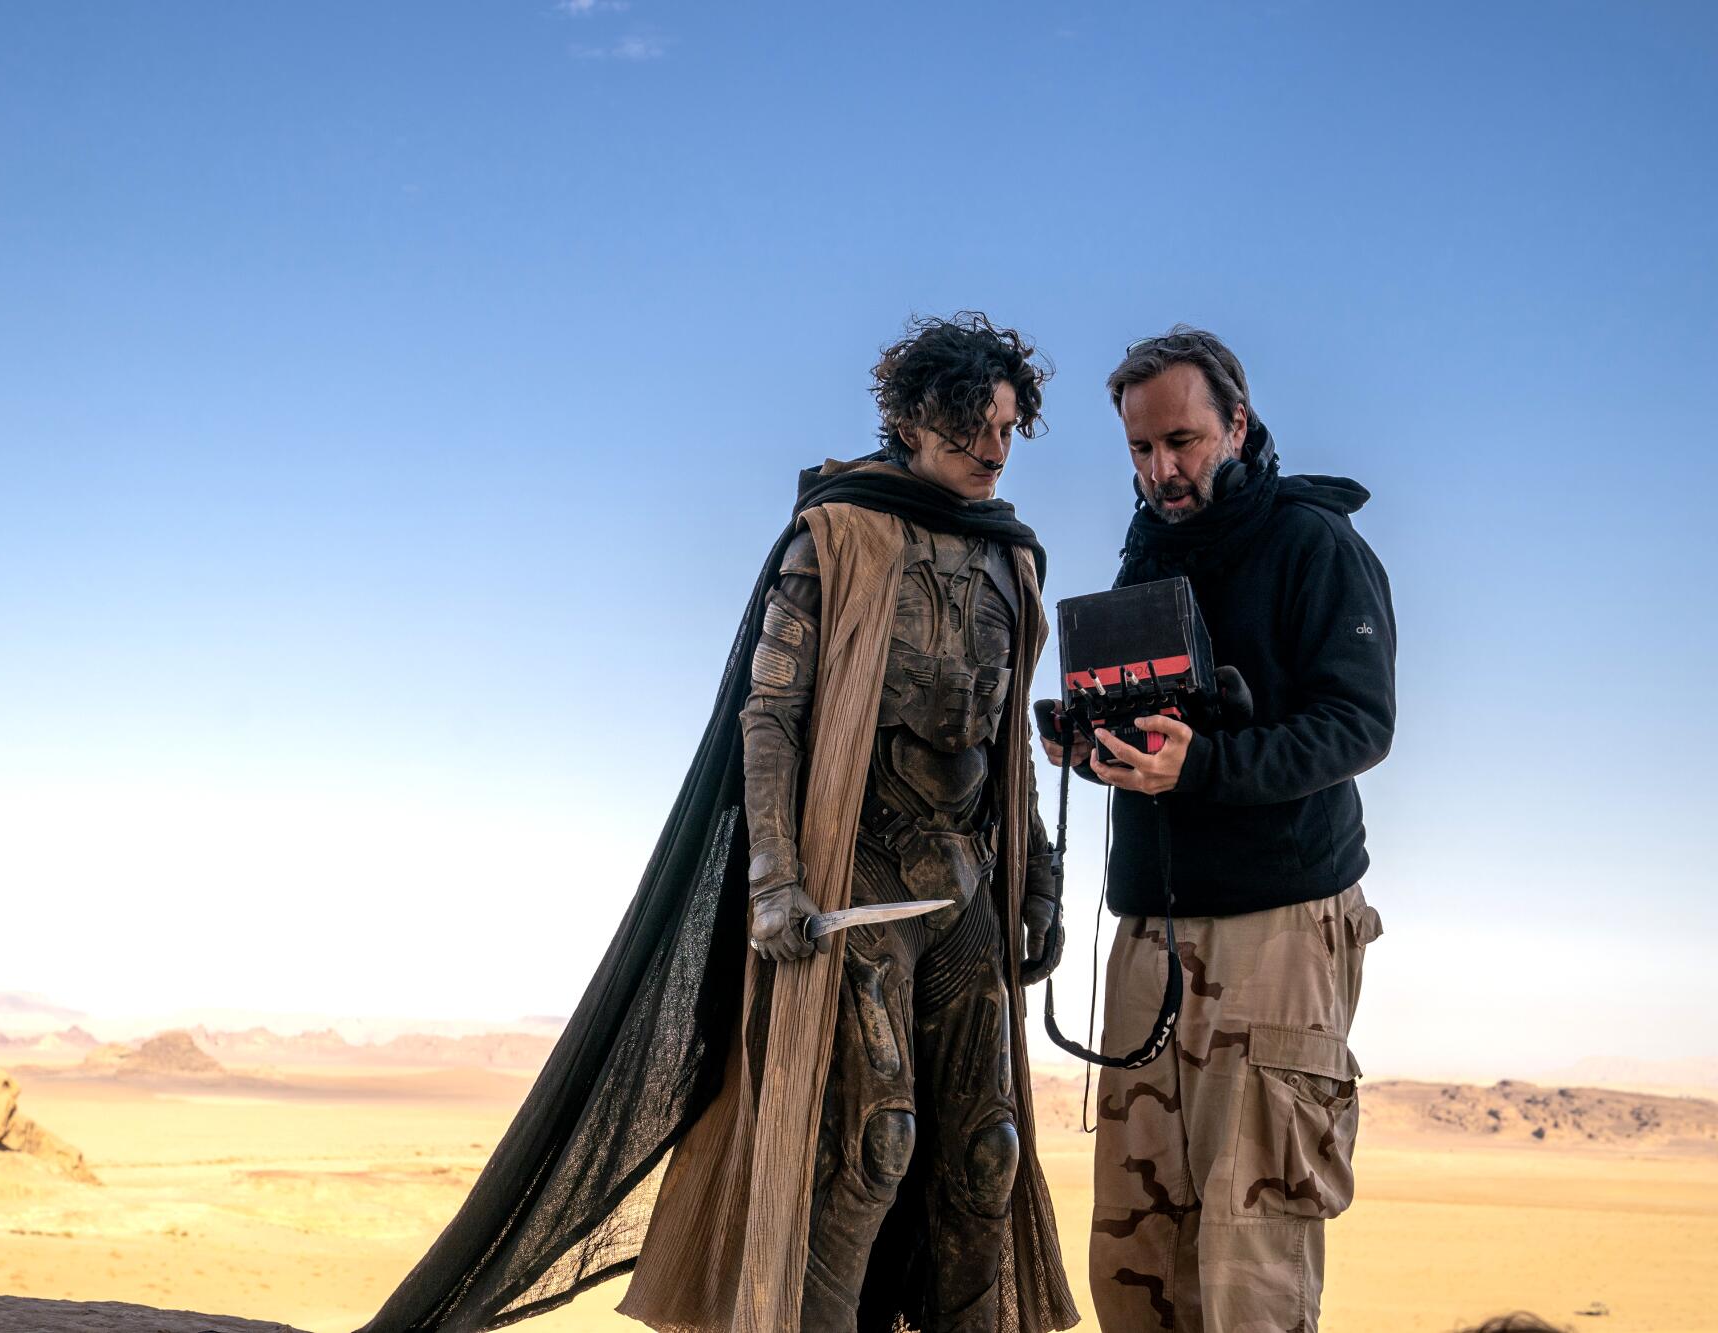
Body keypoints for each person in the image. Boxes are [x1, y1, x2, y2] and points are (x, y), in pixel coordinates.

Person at [367, 314, 1079, 1333]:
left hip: (967, 878)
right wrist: (775, 880)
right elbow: (773, 716)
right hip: (859, 877)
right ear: (914, 420)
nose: (994, 449)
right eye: (975, 427)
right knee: (867, 1146)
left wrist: (1039, 875)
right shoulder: (836, 534)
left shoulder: (1013, 559)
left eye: (1008, 428)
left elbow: (1007, 743)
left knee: (984, 1157)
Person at [1041, 327, 1395, 1333]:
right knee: (1136, 1254)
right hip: (1150, 930)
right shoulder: (1144, 549)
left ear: (1235, 423)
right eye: (1140, 451)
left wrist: (1204, 765)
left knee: (1251, 1265)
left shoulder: (1311, 541)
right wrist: (1091, 741)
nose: (1162, 470)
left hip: (1276, 930)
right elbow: (1158, 710)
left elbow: (1358, 722)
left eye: (1183, 442)